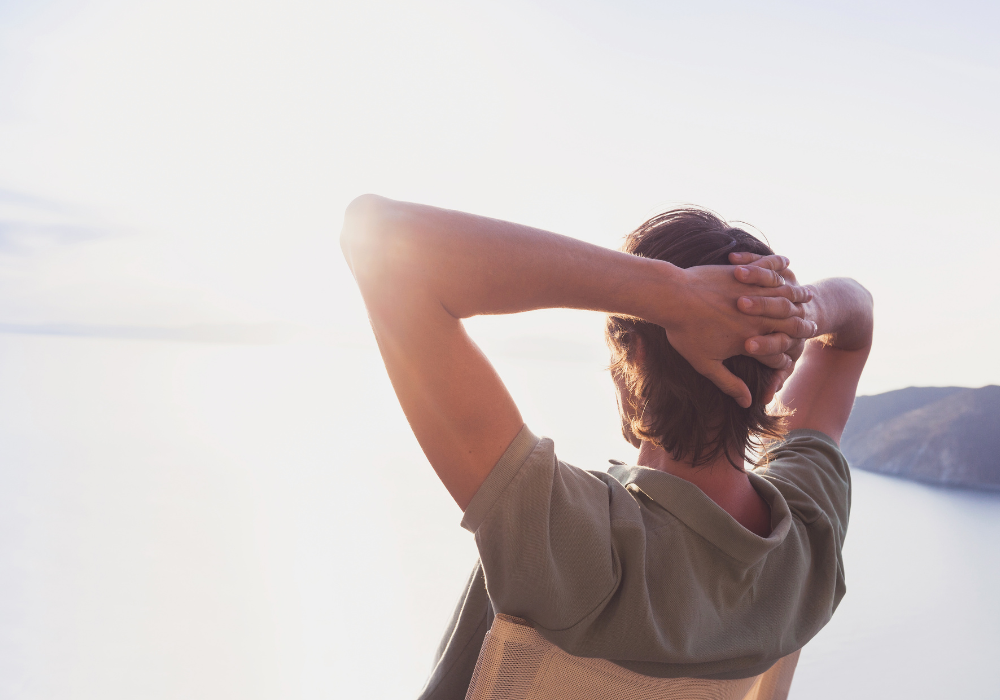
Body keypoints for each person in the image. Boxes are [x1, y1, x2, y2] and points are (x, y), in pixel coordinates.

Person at [339, 196, 873, 698]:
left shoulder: (575, 544)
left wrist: (672, 295)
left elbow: (381, 237)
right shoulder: (807, 543)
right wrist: (793, 308)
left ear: (633, 358)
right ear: (778, 373)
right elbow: (856, 323)